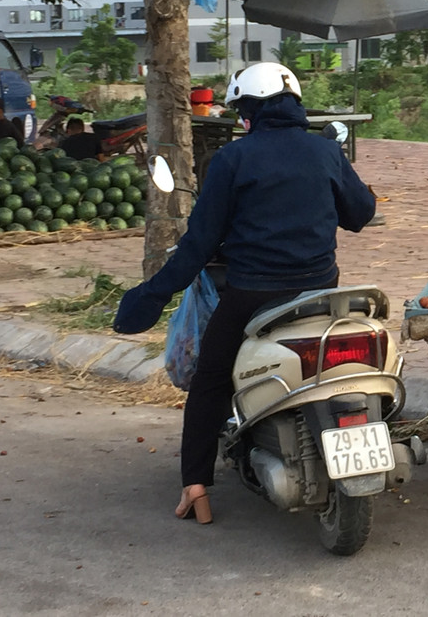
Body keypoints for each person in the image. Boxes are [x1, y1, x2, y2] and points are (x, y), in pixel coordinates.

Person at [112, 62, 376, 523]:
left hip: (254, 297)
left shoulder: (232, 159)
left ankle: (196, 484)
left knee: (210, 380)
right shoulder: (325, 151)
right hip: (320, 295)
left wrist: (151, 295)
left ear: (249, 112)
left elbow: (199, 244)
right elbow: (361, 213)